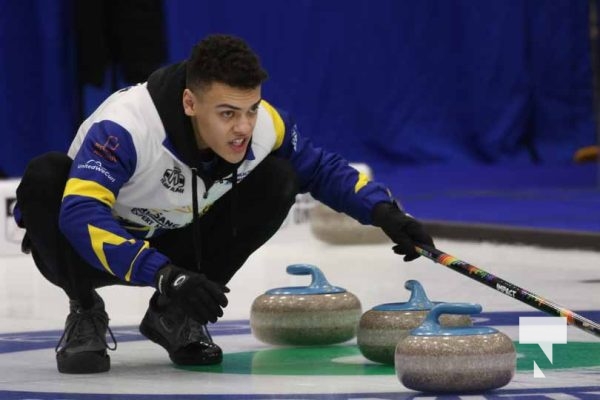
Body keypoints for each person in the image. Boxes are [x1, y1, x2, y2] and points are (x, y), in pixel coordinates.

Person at [14, 34, 434, 374]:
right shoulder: (126, 127)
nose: (244, 128)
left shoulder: (263, 125)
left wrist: (387, 214)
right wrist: (165, 275)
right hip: (91, 252)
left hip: (179, 246)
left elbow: (322, 170)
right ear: (190, 103)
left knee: (280, 177)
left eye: (251, 110)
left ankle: (172, 316)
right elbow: (82, 215)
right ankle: (84, 309)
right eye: (229, 114)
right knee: (47, 178)